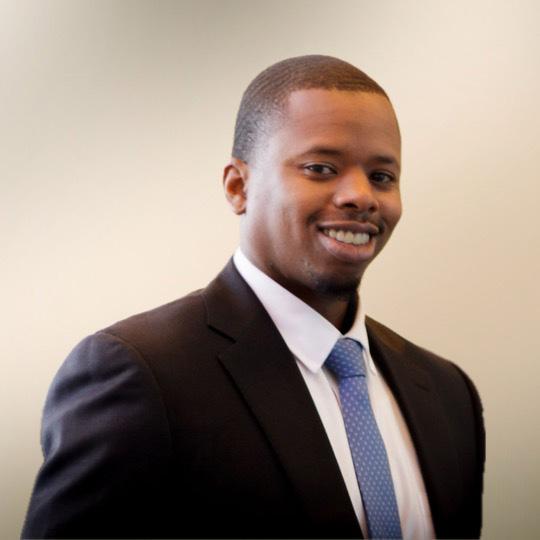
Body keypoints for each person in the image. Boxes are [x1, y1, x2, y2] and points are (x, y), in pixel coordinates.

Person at [22, 55, 484, 539]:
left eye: (382, 177)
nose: (360, 196)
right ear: (238, 186)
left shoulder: (448, 394)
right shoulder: (140, 373)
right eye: (321, 168)